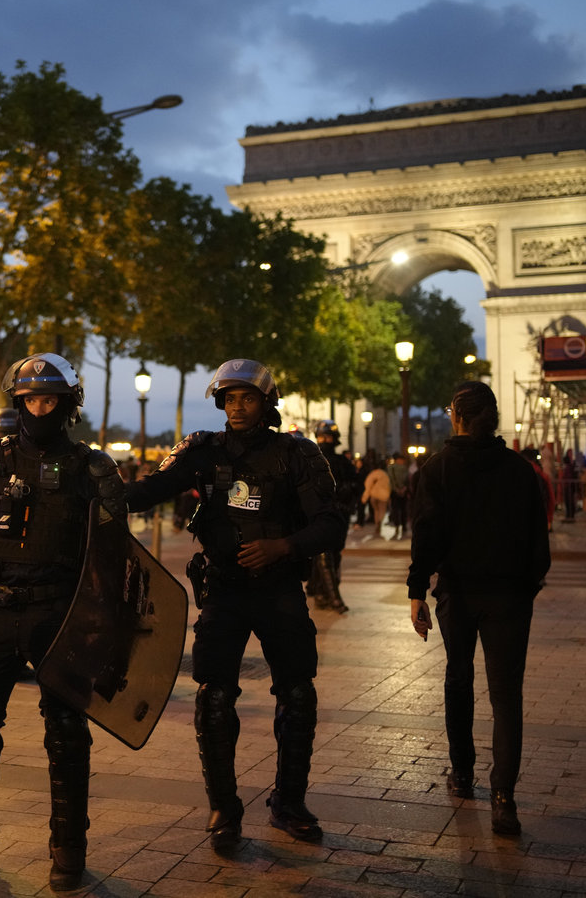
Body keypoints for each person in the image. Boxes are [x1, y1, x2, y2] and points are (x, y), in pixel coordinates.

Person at [123, 359, 344, 852]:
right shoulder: (204, 452)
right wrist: (93, 488)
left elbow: (331, 524)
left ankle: (289, 802)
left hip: (280, 589)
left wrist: (283, 546)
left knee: (298, 694)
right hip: (223, 590)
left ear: (268, 402)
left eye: (247, 398)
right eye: (229, 398)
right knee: (214, 696)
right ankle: (223, 806)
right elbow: (145, 493)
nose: (236, 407)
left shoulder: (298, 454)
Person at [0, 353, 127, 891]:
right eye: (31, 400)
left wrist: (109, 632)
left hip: (61, 613)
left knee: (65, 731)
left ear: (67, 405)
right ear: (18, 403)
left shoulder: (94, 468)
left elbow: (113, 559)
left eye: (50, 400)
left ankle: (68, 849)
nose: (39, 408)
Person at [407, 381, 550, 838]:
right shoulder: (521, 470)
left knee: (458, 678)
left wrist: (417, 591)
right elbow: (538, 544)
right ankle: (504, 799)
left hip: (459, 593)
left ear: (457, 417)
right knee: (507, 697)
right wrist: (525, 587)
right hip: (509, 596)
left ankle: (462, 773)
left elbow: (427, 536)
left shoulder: (438, 468)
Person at [309, 421, 355, 613]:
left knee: (334, 554)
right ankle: (333, 597)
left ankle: (323, 593)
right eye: (321, 437)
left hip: (339, 513)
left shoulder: (343, 462)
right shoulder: (308, 460)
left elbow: (354, 485)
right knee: (323, 553)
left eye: (327, 437)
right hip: (318, 514)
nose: (323, 441)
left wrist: (344, 493)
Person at [361, 459, 391, 534]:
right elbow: (389, 485)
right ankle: (380, 522)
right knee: (382, 510)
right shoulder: (385, 475)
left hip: (374, 495)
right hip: (383, 496)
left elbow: (368, 486)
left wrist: (365, 497)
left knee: (376, 511)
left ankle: (377, 523)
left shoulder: (372, 474)